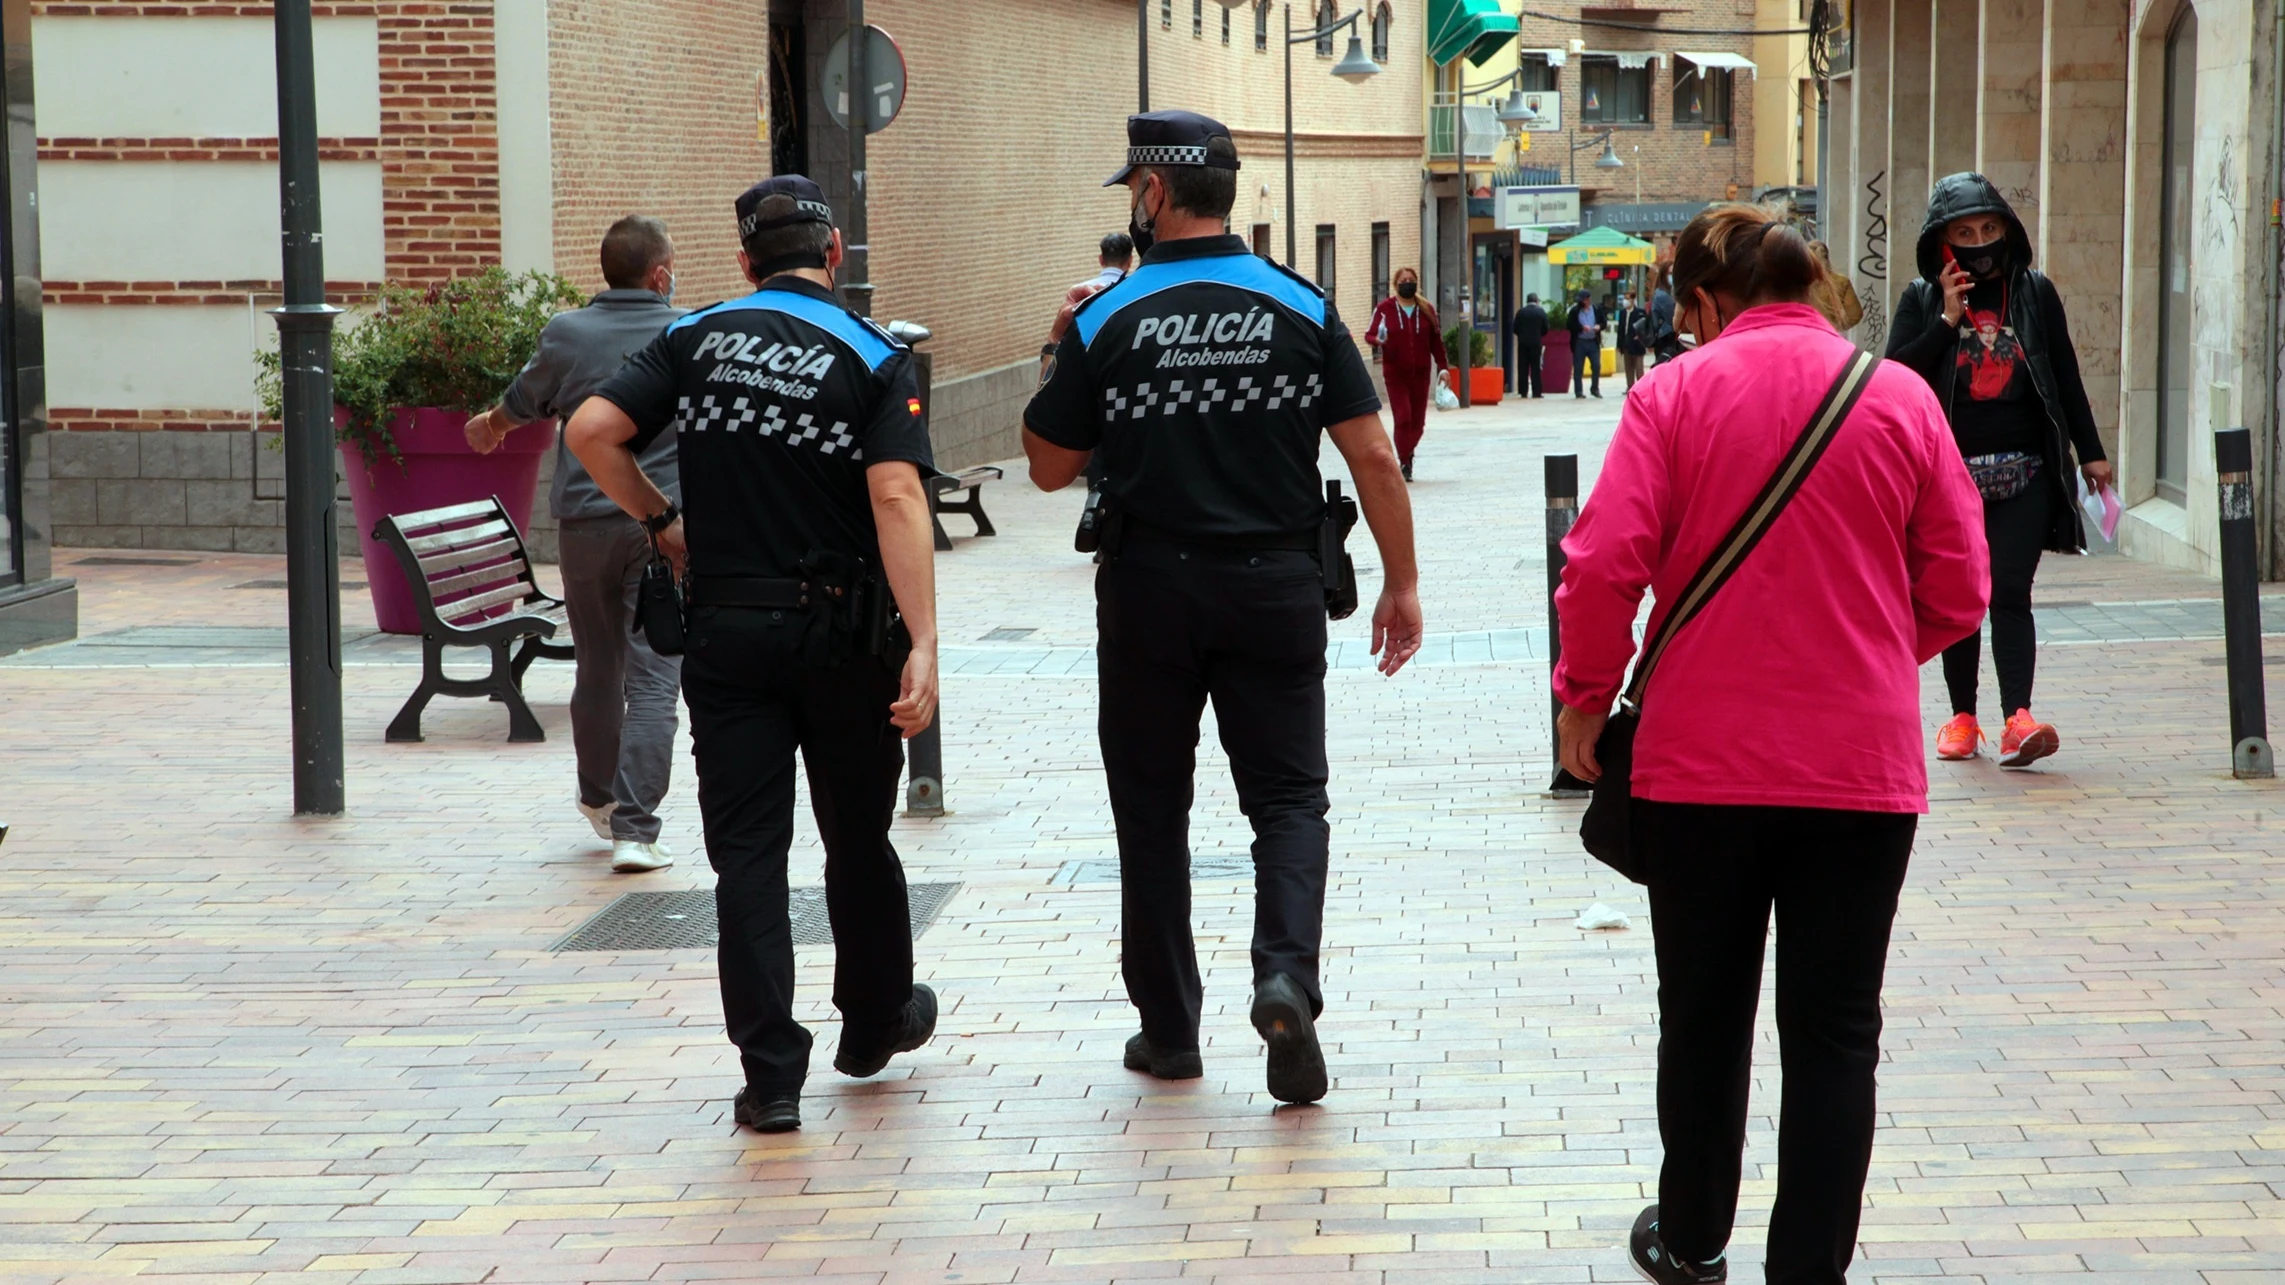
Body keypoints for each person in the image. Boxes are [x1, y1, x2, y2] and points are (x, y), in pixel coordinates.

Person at [1553, 205, 1988, 1285]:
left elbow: (1603, 565)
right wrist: (1875, 648)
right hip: (1859, 768)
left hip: (1698, 766)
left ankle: (1693, 1235)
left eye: (1683, 311)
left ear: (1706, 302)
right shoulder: (1897, 396)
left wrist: (1581, 699)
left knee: (1702, 1014)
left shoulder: (1670, 394)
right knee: (1836, 1031)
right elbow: (1961, 586)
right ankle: (1805, 1272)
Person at [1021, 109, 1424, 1105]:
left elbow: (1042, 467)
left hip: (1150, 590)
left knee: (1151, 809)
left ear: (1153, 194)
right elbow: (1370, 452)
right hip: (1274, 586)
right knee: (1287, 799)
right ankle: (1283, 974)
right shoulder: (1297, 304)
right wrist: (1401, 582)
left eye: (1130, 191)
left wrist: (1059, 362)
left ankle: (1169, 1032)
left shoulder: (1106, 316)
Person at [565, 175, 943, 1135]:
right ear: (836, 253)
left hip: (728, 636)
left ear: (743, 262)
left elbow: (591, 431)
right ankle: (871, 1023)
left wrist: (663, 522)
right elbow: (897, 499)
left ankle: (771, 1075)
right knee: (856, 834)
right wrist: (925, 639)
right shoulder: (874, 353)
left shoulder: (695, 338)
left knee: (749, 859)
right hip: (845, 635)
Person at [463, 215, 686, 873]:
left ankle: (597, 797)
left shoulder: (567, 332)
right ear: (660, 275)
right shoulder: (685, 333)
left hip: (585, 528)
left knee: (598, 665)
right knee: (654, 675)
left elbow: (524, 401)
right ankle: (635, 829)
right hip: (662, 527)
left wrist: (491, 426)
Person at [1886, 173, 2113, 768]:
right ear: (1943, 241)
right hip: (1948, 476)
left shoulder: (2034, 294)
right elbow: (1895, 379)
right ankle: (1963, 718)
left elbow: (2064, 374)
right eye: (1965, 232)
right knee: (1962, 598)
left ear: (2008, 232)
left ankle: (2018, 718)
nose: (1980, 240)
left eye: (1989, 229)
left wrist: (2090, 452)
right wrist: (1946, 321)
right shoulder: (1921, 299)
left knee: (2010, 590)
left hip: (2026, 472)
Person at [1364, 266, 1448, 481]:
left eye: (1411, 279)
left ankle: (1406, 453)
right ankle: (1404, 461)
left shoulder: (1426, 309)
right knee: (1403, 418)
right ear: (1396, 284)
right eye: (1403, 280)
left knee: (1418, 423)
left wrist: (1443, 367)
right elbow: (1369, 334)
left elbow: (1436, 342)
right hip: (1395, 373)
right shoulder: (1385, 309)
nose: (1407, 283)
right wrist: (1378, 340)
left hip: (1421, 374)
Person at [1510, 292, 1548, 398]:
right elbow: (1545, 328)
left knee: (1523, 367)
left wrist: (1522, 335)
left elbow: (1515, 328)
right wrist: (1539, 334)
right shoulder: (1541, 312)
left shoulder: (1521, 312)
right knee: (1536, 367)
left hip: (1523, 343)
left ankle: (1523, 391)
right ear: (1536, 301)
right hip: (1536, 343)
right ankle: (1537, 392)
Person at [1565, 289, 1602, 397]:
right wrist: (1581, 328)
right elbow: (1570, 325)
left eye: (1583, 300)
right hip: (1580, 342)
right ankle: (1579, 391)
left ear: (1588, 300)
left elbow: (1603, 322)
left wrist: (1599, 326)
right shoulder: (1575, 311)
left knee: (1596, 365)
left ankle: (1594, 388)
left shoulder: (1596, 309)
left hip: (1593, 341)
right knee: (1578, 367)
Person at [1615, 290, 1649, 390]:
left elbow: (1646, 327)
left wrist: (1642, 337)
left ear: (1633, 300)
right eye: (1624, 298)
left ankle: (1641, 388)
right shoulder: (1622, 313)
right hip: (1626, 344)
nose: (1625, 301)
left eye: (1628, 298)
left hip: (1637, 344)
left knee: (1639, 368)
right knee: (1628, 367)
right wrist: (1619, 345)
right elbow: (1620, 330)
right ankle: (1630, 386)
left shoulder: (1640, 312)